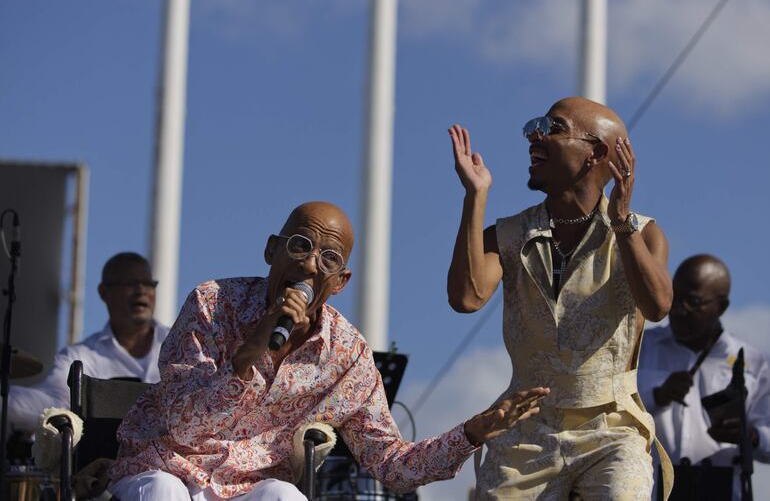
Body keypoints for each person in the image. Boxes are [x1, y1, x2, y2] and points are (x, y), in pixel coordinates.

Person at [108, 201, 549, 501]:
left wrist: (471, 432)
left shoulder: (347, 356)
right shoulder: (211, 303)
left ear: (340, 282)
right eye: (299, 245)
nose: (309, 264)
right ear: (271, 249)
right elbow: (184, 427)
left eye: (329, 258)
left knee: (283, 496)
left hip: (248, 489)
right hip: (167, 468)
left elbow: (391, 464)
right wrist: (255, 345)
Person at [447, 97, 673, 499]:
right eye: (535, 125)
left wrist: (620, 224)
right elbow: (467, 298)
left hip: (611, 428)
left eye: (552, 127)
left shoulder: (642, 233)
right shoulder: (508, 235)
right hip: (525, 429)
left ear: (597, 153)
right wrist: (475, 196)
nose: (534, 134)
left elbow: (657, 306)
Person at [638, 254, 770, 499]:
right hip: (656, 489)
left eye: (693, 301)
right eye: (675, 298)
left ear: (721, 307)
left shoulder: (753, 363)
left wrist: (749, 435)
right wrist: (657, 394)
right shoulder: (641, 349)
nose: (679, 310)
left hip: (723, 489)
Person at [8, 252, 170, 431]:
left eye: (148, 284)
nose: (142, 291)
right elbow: (53, 405)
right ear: (103, 292)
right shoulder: (79, 357)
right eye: (131, 283)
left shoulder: (185, 346)